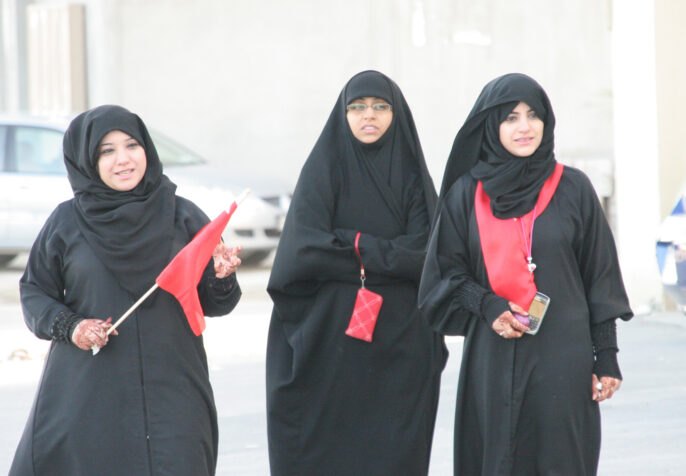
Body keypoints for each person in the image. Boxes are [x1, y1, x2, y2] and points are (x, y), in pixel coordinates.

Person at [418, 73, 633, 475]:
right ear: (491, 126)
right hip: (492, 354)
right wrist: (487, 304)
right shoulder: (468, 193)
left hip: (563, 357)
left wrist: (606, 357)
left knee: (562, 458)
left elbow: (599, 276)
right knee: (497, 457)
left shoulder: (573, 188)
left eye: (533, 115)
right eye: (510, 117)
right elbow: (446, 272)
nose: (524, 127)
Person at [10, 105, 242, 476]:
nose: (123, 159)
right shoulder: (66, 222)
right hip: (89, 393)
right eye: (106, 151)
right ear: (87, 159)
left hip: (173, 388)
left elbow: (215, 303)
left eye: (132, 145)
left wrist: (221, 275)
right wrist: (73, 327)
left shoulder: (183, 215)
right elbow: (35, 293)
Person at [266, 70, 447, 475]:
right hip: (330, 342)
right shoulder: (323, 170)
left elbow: (426, 255)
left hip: (402, 345)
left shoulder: (413, 176)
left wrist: (353, 244)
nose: (370, 116)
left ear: (395, 114)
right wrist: (388, 254)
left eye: (381, 107)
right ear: (343, 114)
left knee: (395, 453)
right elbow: (305, 251)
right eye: (358, 107)